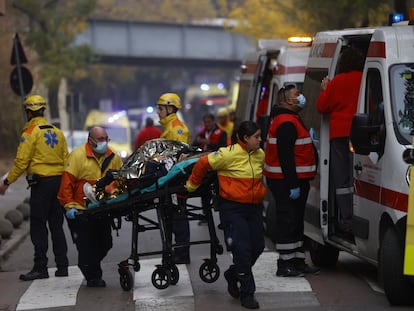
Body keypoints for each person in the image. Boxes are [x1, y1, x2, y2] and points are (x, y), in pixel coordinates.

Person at [186, 121, 266, 309]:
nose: (260, 140)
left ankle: (233, 273)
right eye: (257, 137)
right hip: (233, 208)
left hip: (254, 208)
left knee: (258, 246)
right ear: (245, 138)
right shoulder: (227, 154)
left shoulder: (260, 155)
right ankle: (247, 293)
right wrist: (192, 186)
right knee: (242, 250)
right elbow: (203, 163)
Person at [0, 95, 69, 281]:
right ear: (43, 110)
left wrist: (7, 183)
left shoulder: (30, 132)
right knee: (57, 225)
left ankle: (41, 267)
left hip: (41, 184)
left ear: (29, 112)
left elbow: (21, 162)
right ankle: (62, 266)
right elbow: (66, 160)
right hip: (58, 183)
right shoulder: (57, 132)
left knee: (38, 226)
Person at [57, 126, 123, 287]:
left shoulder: (112, 156)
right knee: (88, 245)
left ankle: (87, 263)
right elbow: (66, 185)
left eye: (106, 139)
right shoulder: (78, 157)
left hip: (102, 208)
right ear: (90, 140)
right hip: (81, 210)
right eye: (101, 139)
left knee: (106, 243)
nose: (104, 143)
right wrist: (69, 207)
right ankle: (93, 276)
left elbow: (122, 179)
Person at [264, 85, 319, 277]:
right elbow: (286, 157)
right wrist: (293, 184)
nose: (301, 97)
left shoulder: (290, 119)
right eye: (297, 94)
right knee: (288, 221)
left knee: (296, 221)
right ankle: (285, 264)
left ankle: (297, 260)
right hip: (286, 181)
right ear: (288, 101)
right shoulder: (286, 122)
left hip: (291, 180)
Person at [317, 47, 365, 235]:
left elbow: (322, 106)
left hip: (338, 135)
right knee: (358, 175)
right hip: (361, 133)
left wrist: (326, 89)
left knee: (342, 177)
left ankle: (347, 218)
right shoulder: (364, 78)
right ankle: (361, 214)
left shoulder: (337, 82)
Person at [156, 92, 191, 264]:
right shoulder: (169, 128)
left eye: (160, 108)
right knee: (170, 218)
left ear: (170, 108)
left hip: (174, 182)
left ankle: (182, 253)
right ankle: (173, 251)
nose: (158, 111)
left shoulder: (177, 129)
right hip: (169, 182)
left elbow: (178, 158)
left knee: (178, 217)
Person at [192, 113, 227, 225]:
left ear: (213, 121)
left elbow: (223, 149)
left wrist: (209, 144)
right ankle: (205, 217)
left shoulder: (222, 133)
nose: (207, 124)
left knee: (220, 193)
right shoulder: (201, 134)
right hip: (204, 167)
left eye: (208, 122)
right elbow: (193, 146)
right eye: (205, 122)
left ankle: (223, 220)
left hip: (217, 167)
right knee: (204, 193)